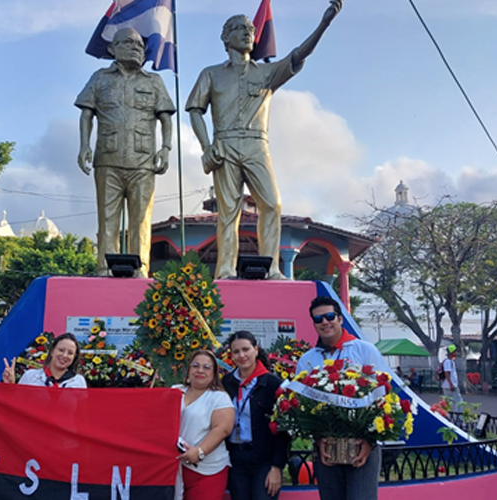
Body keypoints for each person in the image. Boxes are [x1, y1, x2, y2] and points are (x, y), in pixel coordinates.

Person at [186, 1, 343, 280]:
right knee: (228, 211)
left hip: (257, 145)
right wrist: (207, 146)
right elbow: (195, 110)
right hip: (224, 146)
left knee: (272, 204)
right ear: (225, 38)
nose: (247, 33)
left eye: (250, 29)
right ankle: (225, 270)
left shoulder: (266, 73)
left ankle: (271, 268)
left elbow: (298, 55)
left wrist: (324, 24)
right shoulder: (211, 73)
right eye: (239, 28)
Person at [75, 27, 175, 278]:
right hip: (107, 159)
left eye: (140, 45)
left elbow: (165, 118)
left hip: (143, 162)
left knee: (141, 220)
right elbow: (86, 113)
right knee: (107, 219)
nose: (136, 48)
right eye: (128, 43)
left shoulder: (154, 81)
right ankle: (104, 269)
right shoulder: (100, 78)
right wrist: (84, 145)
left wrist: (166, 147)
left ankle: (140, 271)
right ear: (113, 48)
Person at [296, 296, 385, 500]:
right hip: (326, 448)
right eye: (319, 319)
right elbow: (302, 405)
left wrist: (369, 440)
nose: (325, 322)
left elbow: (382, 395)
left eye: (329, 316)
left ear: (340, 318)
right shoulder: (308, 360)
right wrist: (318, 440)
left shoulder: (364, 350)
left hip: (362, 446)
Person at [222, 331, 289, 500]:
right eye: (236, 352)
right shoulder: (226, 383)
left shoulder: (272, 384)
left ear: (256, 350)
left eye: (246, 349)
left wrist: (277, 467)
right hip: (235, 460)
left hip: (264, 461)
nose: (242, 355)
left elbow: (284, 429)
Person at [174, 350, 234, 500]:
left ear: (214, 373)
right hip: (174, 468)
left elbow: (222, 429)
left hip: (207, 470)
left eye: (206, 367)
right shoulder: (175, 391)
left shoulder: (219, 397)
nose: (200, 370)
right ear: (188, 369)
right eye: (195, 366)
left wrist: (199, 452)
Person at [2, 333, 87, 388]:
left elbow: (81, 412)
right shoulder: (30, 377)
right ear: (52, 351)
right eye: (61, 350)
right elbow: (15, 404)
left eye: (70, 353)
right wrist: (10, 385)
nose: (64, 355)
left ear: (74, 357)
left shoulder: (78, 382)